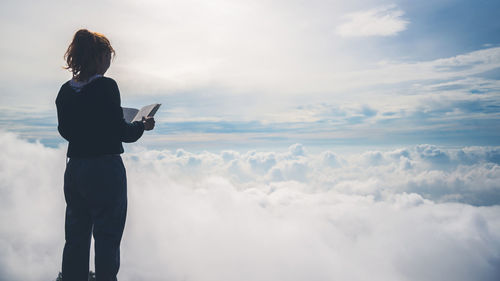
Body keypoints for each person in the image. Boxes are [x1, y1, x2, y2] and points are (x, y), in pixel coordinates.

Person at [56, 29, 155, 281]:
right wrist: (141, 126)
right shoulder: (106, 86)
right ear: (99, 57)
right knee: (107, 236)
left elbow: (65, 131)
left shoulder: (65, 92)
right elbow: (122, 131)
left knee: (75, 236)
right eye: (108, 57)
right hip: (105, 169)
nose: (109, 62)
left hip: (75, 169)